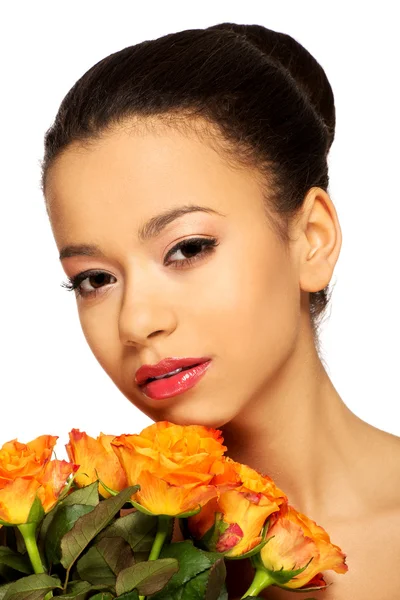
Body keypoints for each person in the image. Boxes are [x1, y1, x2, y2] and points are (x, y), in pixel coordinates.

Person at [40, 22, 400, 599]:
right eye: (95, 279)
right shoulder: (72, 561)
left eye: (187, 249)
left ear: (311, 238)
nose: (136, 322)